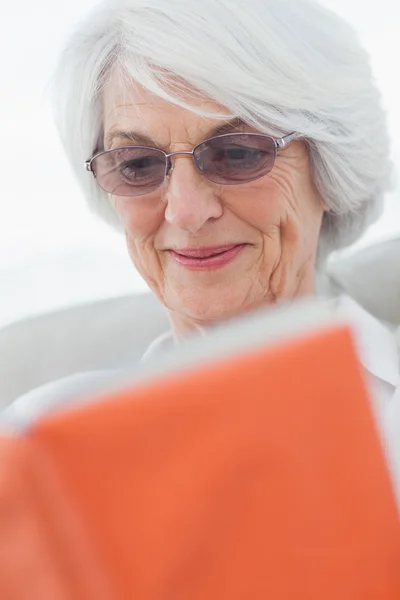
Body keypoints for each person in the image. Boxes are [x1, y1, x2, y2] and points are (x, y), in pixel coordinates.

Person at [3, 0, 400, 496]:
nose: (185, 211)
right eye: (138, 165)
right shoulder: (36, 446)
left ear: (328, 170)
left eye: (237, 152)